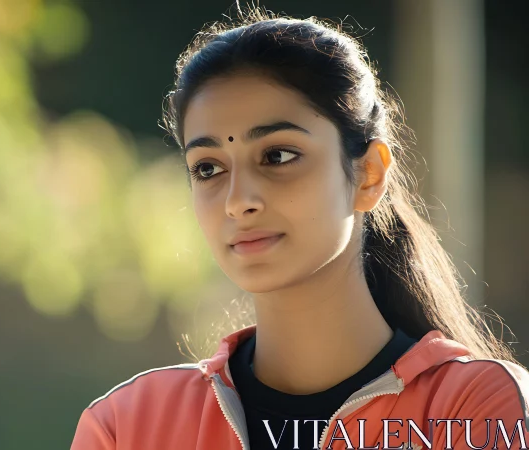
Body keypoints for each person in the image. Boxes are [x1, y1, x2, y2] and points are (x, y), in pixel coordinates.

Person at [70, 7, 529, 450]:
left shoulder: (470, 409)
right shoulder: (128, 425)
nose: (238, 201)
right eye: (208, 168)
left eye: (278, 156)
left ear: (369, 174)